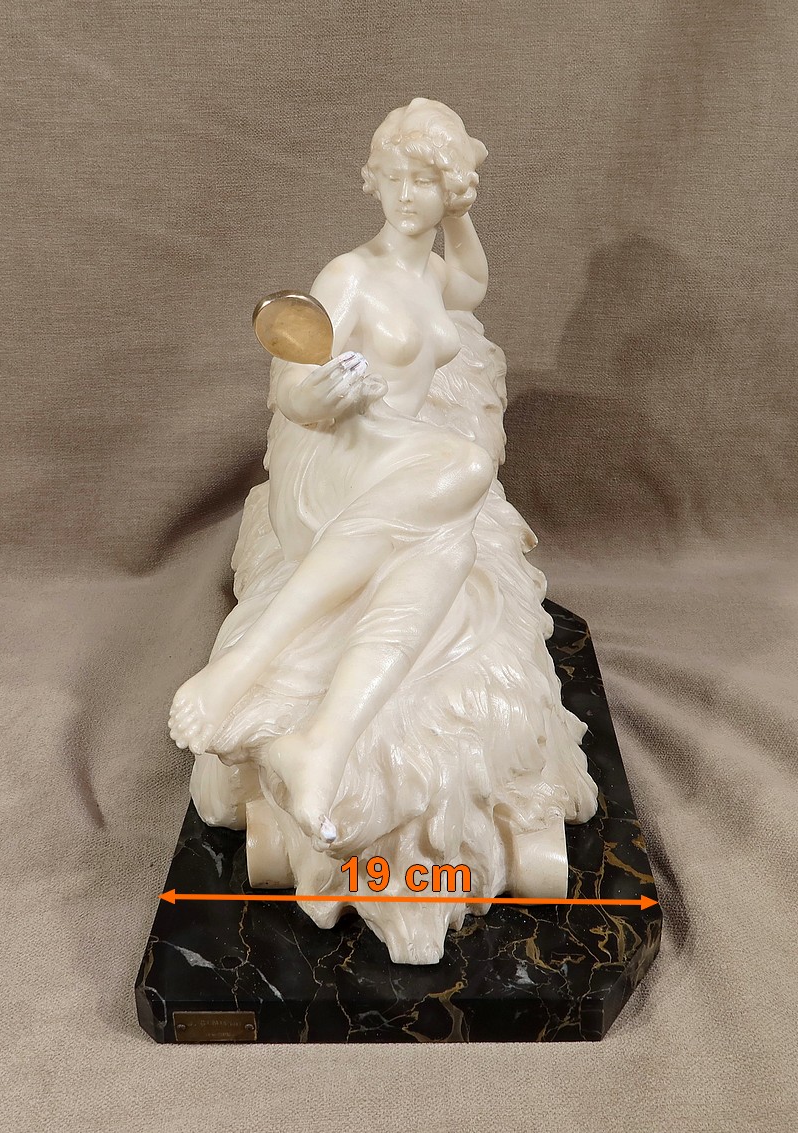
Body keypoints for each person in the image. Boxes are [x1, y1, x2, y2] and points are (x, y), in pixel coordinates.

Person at [168, 99, 597, 963]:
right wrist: (320, 391)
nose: (405, 196)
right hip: (340, 465)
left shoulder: (433, 275)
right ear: (374, 181)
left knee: (446, 540)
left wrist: (462, 208)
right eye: (395, 178)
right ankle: (248, 670)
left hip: (402, 469)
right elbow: (294, 384)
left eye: (425, 182)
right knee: (461, 472)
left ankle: (320, 744)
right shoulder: (349, 274)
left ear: (447, 192)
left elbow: (471, 283)